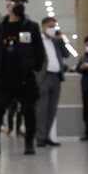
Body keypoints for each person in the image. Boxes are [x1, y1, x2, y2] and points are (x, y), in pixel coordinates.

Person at [0, 0, 44, 156]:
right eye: (17, 3)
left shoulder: (31, 27)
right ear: (8, 5)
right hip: (3, 77)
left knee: (28, 111)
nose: (20, 6)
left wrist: (34, 67)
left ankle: (29, 142)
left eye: (22, 3)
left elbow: (39, 51)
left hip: (25, 77)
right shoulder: (0, 27)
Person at [34, 16, 69, 148]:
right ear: (43, 27)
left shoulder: (56, 42)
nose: (52, 29)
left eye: (54, 26)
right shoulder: (38, 41)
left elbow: (66, 55)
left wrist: (61, 40)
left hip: (56, 77)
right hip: (43, 77)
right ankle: (40, 137)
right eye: (49, 26)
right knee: (42, 109)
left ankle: (47, 135)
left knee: (52, 109)